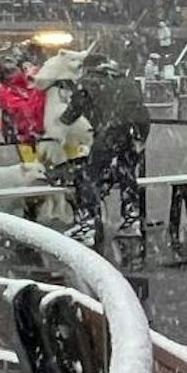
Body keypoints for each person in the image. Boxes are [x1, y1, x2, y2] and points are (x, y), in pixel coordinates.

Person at [62, 53, 151, 247]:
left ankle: (87, 225)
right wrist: (140, 138)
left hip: (110, 129)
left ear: (87, 67)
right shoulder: (124, 78)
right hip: (134, 129)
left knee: (88, 174)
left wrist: (60, 122)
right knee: (126, 171)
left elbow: (71, 114)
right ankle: (131, 219)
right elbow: (140, 108)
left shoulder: (88, 81)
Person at [0, 57, 47, 162]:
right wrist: (39, 91)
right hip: (25, 139)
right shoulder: (3, 91)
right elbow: (24, 111)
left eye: (13, 70)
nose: (12, 75)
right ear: (1, 76)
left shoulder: (32, 78)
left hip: (50, 134)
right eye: (7, 72)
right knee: (34, 171)